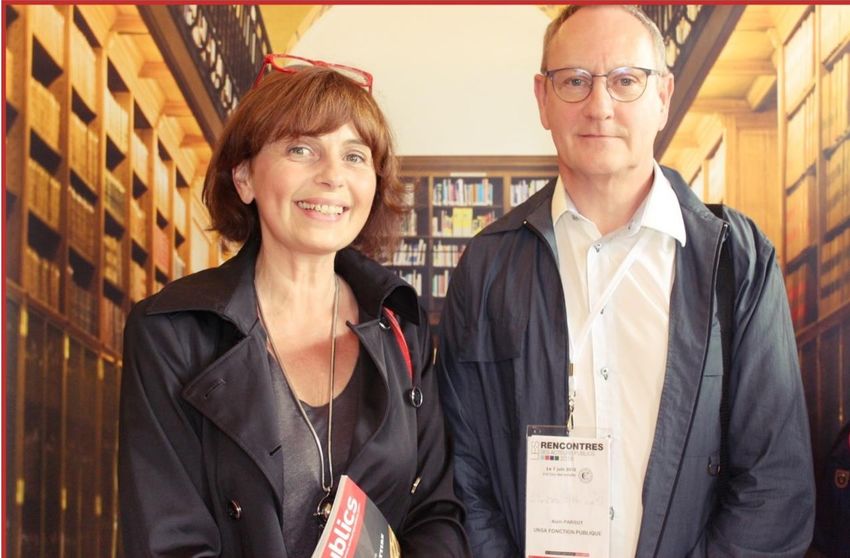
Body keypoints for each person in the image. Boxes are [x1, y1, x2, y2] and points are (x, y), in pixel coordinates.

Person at [437, 6, 814, 557]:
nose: (599, 106)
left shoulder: (736, 258)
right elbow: (464, 472)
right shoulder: (487, 267)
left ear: (662, 95)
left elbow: (774, 484)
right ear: (542, 99)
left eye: (625, 81)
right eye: (574, 81)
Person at [119, 55, 470, 557]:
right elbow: (169, 541)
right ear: (244, 177)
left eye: (354, 156)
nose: (332, 176)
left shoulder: (401, 329)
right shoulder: (171, 333)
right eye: (301, 149)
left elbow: (435, 514)